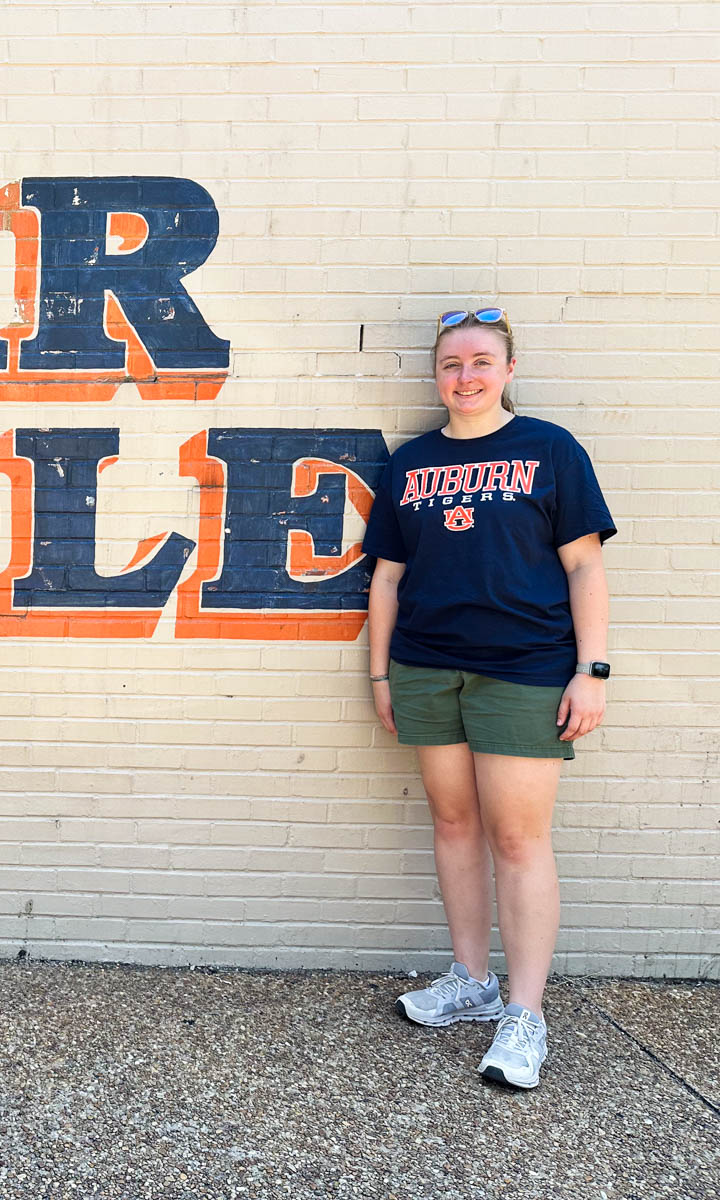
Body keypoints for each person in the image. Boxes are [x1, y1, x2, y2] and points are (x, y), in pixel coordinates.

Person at [361, 307, 614, 1089]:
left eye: (480, 361)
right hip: (427, 667)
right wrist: (378, 674)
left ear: (508, 371)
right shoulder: (411, 463)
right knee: (453, 823)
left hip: (527, 669)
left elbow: (582, 567)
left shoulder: (548, 450)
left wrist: (591, 669)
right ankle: (471, 981)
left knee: (518, 840)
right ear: (436, 375)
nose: (464, 377)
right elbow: (389, 578)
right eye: (450, 364)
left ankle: (525, 1016)